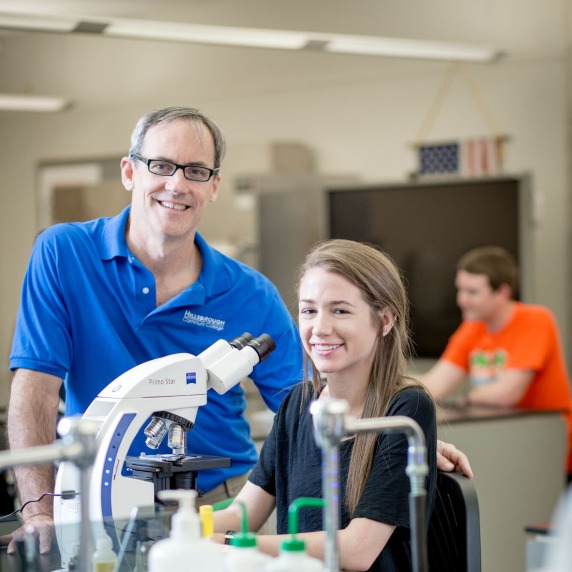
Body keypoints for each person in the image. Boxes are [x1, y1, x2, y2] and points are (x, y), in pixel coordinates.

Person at [5, 106, 471, 555]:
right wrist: (38, 510)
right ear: (130, 172)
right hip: (101, 494)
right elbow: (36, 391)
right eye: (161, 165)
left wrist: (401, 434)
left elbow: (317, 402)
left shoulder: (250, 294)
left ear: (214, 186)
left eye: (196, 171)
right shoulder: (64, 254)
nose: (177, 184)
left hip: (218, 499)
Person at [213, 239, 440, 571]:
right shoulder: (297, 403)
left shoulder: (406, 410)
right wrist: (174, 530)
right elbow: (242, 514)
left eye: (340, 310)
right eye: (309, 310)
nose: (319, 328)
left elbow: (356, 551)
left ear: (386, 320)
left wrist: (232, 543)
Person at [420, 245, 572, 481]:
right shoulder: (472, 328)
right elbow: (434, 384)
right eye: (460, 289)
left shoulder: (536, 320)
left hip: (551, 450)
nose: (461, 300)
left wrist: (468, 398)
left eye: (472, 292)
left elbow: (506, 394)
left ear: (501, 293)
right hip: (508, 444)